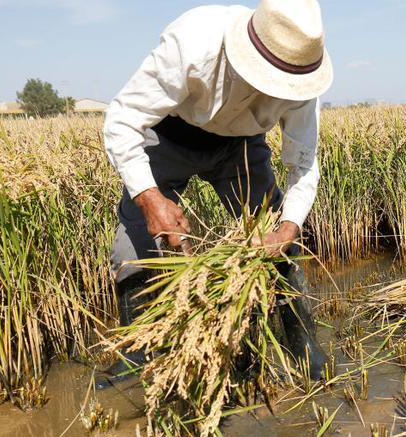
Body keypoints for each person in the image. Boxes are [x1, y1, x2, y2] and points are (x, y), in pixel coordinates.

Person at [101, 0, 332, 384]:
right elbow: (123, 120)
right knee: (133, 242)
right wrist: (150, 198)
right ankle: (138, 352)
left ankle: (302, 343)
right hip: (171, 135)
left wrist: (287, 229)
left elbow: (304, 165)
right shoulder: (193, 42)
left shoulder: (303, 80)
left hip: (241, 147)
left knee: (279, 238)